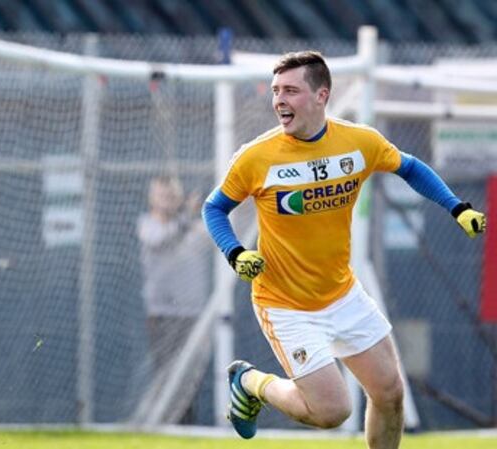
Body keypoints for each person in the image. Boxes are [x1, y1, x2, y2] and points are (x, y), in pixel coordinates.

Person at [202, 51, 485, 448]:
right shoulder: (257, 156)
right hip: (286, 304)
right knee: (332, 412)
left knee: (390, 393)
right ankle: (250, 381)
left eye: (291, 91)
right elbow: (214, 208)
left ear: (322, 95)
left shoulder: (358, 142)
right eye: (276, 91)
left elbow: (410, 167)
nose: (279, 100)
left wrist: (457, 207)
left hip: (343, 294)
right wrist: (235, 252)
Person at [137, 175, 212, 423]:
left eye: (172, 195)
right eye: (162, 195)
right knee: (167, 377)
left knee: (190, 380)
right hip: (163, 315)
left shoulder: (194, 228)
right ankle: (165, 423)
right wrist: (186, 216)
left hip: (193, 316)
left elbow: (218, 234)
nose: (167, 200)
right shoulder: (148, 226)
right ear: (151, 198)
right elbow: (162, 240)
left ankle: (184, 427)